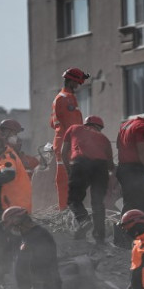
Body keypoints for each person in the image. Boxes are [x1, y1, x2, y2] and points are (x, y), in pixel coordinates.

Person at [60, 114, 113, 242]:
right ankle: (100, 238)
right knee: (98, 203)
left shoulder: (74, 128)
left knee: (73, 200)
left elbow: (63, 152)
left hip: (81, 163)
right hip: (101, 167)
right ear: (99, 127)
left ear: (86, 124)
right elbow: (110, 164)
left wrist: (69, 171)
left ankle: (83, 220)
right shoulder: (104, 138)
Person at [51, 67, 90, 210]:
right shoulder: (66, 99)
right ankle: (66, 211)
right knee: (67, 179)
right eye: (78, 83)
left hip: (62, 141)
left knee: (65, 177)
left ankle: (67, 209)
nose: (79, 86)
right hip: (67, 144)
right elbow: (73, 127)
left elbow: (53, 123)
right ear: (71, 81)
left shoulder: (61, 98)